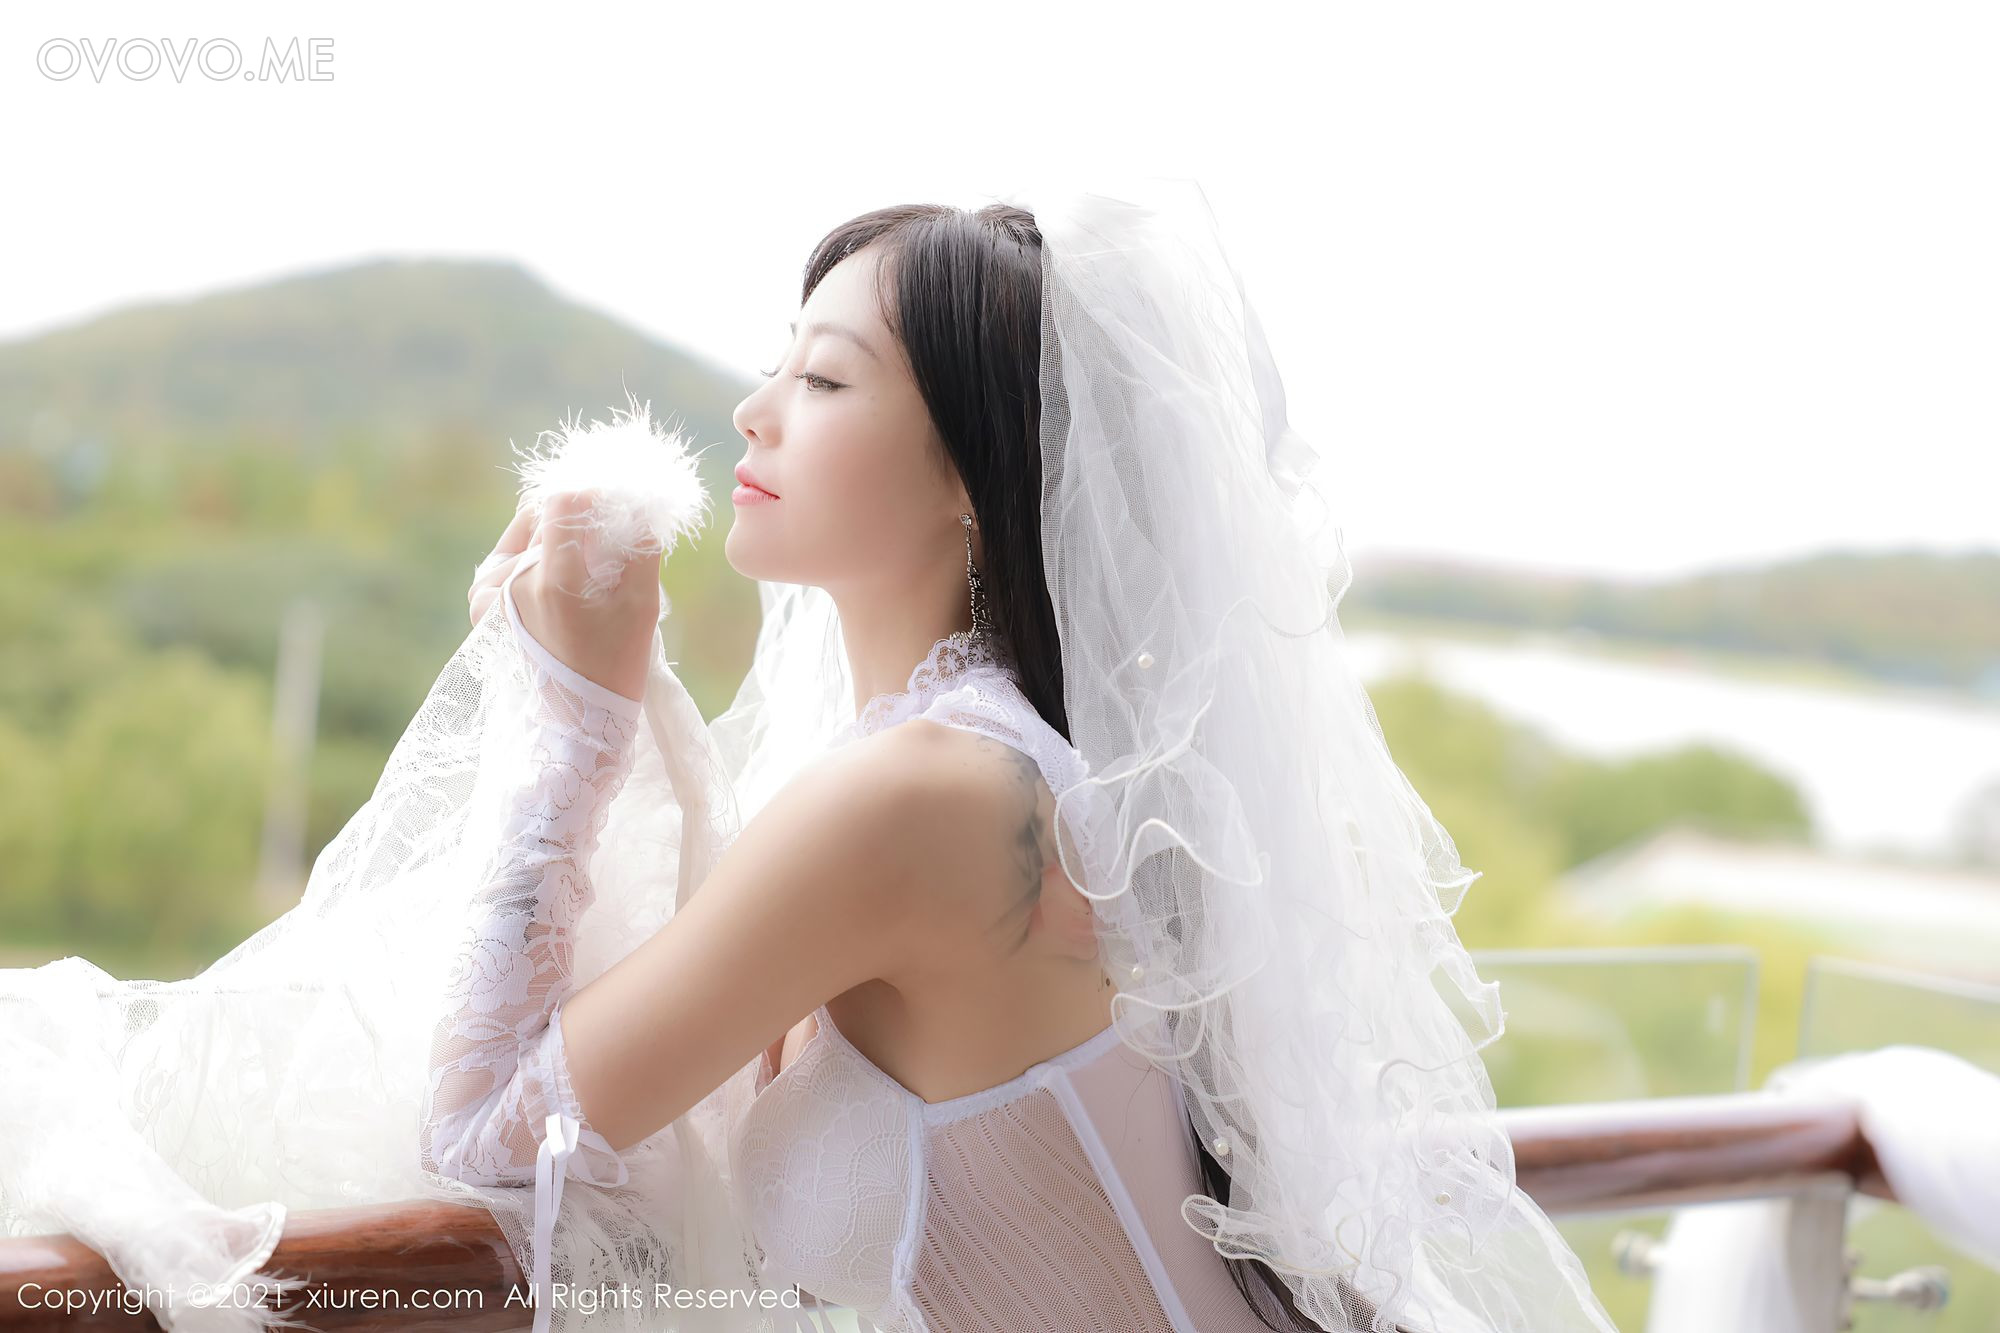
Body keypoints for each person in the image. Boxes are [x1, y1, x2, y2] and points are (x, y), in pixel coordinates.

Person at [0, 179, 1621, 1333]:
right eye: (779, 359)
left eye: (827, 376)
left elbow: (494, 1129)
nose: (754, 412)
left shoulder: (930, 797)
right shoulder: (971, 771)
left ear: (977, 474)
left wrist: (573, 714)